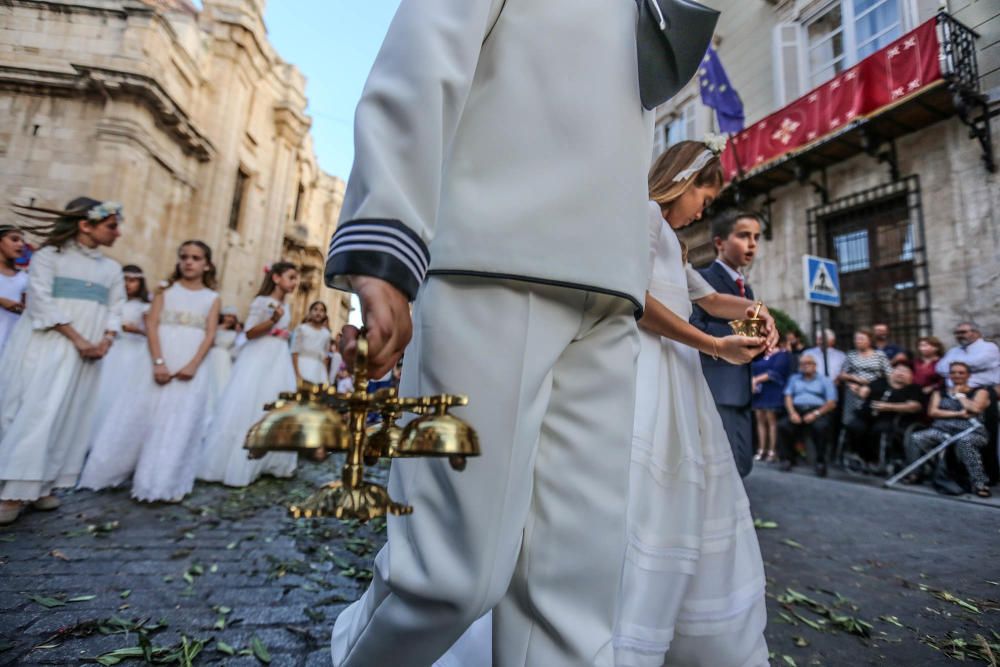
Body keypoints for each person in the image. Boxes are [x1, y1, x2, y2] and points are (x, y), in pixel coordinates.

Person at [323, 0, 720, 663]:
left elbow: (654, 70)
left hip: (609, 287)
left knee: (571, 598)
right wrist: (385, 239)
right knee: (448, 577)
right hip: (492, 257)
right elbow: (424, 56)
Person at [0, 198, 124, 524]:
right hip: (48, 346)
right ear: (86, 225)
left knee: (69, 415)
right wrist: (78, 339)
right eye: (111, 226)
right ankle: (14, 490)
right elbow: (40, 300)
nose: (118, 233)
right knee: (37, 411)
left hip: (88, 355)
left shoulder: (111, 269)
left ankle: (43, 485)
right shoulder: (48, 257)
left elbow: (116, 308)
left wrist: (105, 340)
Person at [200, 261, 298, 487]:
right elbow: (250, 332)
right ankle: (239, 458)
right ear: (276, 278)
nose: (295, 283)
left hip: (278, 357)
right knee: (252, 402)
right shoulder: (262, 302)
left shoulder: (287, 306)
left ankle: (272, 460)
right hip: (260, 356)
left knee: (276, 404)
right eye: (291, 277)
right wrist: (273, 321)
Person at [690, 209, 762, 477]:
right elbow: (692, 326)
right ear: (720, 242)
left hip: (741, 385)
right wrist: (731, 339)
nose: (752, 244)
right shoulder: (702, 279)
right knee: (722, 467)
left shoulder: (748, 290)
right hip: (715, 382)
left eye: (756, 237)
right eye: (743, 236)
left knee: (742, 464)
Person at [77, 265, 152, 492]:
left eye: (133, 280)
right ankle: (87, 436)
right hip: (112, 352)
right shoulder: (113, 303)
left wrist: (133, 329)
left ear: (140, 283)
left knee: (119, 393)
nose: (129, 284)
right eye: (125, 280)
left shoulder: (145, 307)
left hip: (132, 354)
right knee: (101, 392)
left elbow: (151, 332)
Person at [904, 362, 991, 497]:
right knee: (917, 438)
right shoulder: (940, 392)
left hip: (971, 432)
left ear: (968, 375)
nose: (957, 375)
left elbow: (975, 409)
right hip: (943, 431)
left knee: (965, 442)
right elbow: (933, 412)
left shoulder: (980, 391)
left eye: (961, 373)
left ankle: (980, 483)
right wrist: (959, 414)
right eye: (953, 372)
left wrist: (960, 395)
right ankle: (915, 473)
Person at [778, 354, 838, 476]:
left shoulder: (825, 380)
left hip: (817, 410)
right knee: (783, 425)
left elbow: (832, 403)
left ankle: (820, 462)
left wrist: (815, 414)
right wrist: (792, 413)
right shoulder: (794, 378)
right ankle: (787, 459)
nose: (805, 366)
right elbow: (788, 396)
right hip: (797, 409)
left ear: (815, 366)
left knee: (821, 428)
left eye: (808, 363)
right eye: (802, 364)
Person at [856, 362, 923, 471]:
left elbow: (914, 406)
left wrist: (888, 406)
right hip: (867, 416)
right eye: (898, 370)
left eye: (905, 371)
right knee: (855, 426)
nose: (901, 373)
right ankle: (859, 456)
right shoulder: (880, 382)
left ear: (911, 376)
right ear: (891, 372)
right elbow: (864, 391)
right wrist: (861, 390)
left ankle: (875, 460)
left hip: (892, 419)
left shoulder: (914, 389)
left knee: (879, 430)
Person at [837, 328, 891, 451]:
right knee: (851, 422)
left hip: (874, 391)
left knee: (869, 421)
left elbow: (889, 374)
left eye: (861, 338)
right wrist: (855, 379)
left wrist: (870, 384)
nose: (858, 341)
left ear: (869, 340)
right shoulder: (851, 355)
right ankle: (852, 448)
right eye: (856, 339)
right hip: (854, 390)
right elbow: (843, 374)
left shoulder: (879, 355)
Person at [751, 336, 791, 463]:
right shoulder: (762, 355)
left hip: (773, 391)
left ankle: (772, 451)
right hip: (759, 392)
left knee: (771, 421)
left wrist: (755, 380)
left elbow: (775, 372)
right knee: (760, 421)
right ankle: (761, 449)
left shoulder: (782, 354)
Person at [935, 321, 1000, 389]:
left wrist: (952, 366)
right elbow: (940, 368)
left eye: (963, 332)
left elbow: (977, 363)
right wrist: (963, 366)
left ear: (976, 333)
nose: (959, 335)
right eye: (957, 333)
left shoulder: (989, 347)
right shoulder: (953, 350)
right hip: (954, 391)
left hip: (983, 391)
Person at [0, 224, 28, 358]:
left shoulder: (25, 277)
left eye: (23, 241)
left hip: (12, 339)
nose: (21, 244)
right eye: (14, 239)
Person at [205, 306, 241, 406]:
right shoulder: (215, 328)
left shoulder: (235, 332)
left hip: (225, 358)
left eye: (233, 317)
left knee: (222, 379)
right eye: (228, 316)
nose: (230, 319)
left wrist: (238, 334)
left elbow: (237, 347)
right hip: (212, 355)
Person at [292, 301, 332, 386]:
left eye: (322, 310)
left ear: (325, 315)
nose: (318, 312)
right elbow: (295, 352)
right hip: (302, 366)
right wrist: (297, 373)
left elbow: (325, 356)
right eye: (315, 309)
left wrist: (326, 376)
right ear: (310, 312)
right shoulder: (302, 329)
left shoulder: (326, 334)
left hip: (318, 370)